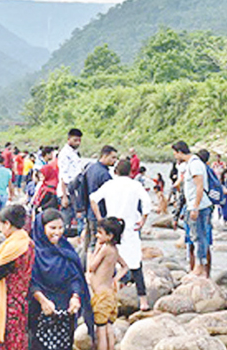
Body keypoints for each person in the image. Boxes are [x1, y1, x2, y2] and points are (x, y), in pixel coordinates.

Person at [90, 159, 152, 311]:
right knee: (135, 263)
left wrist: (100, 219)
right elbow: (147, 202)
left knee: (111, 262)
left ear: (115, 171)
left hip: (112, 229)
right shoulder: (135, 185)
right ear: (131, 172)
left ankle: (111, 294)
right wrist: (143, 220)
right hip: (130, 228)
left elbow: (93, 198)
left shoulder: (110, 184)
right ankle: (143, 301)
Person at [29, 209, 94, 350]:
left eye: (60, 228)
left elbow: (75, 277)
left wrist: (75, 297)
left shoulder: (65, 248)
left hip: (65, 309)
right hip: (40, 310)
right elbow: (31, 281)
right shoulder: (33, 251)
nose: (57, 232)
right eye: (52, 228)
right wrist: (43, 300)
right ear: (42, 227)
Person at [0, 205, 35, 350]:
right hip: (21, 301)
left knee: (8, 343)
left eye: (0, 226)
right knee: (19, 341)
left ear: (7, 224)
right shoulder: (27, 242)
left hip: (7, 303)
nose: (0, 230)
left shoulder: (14, 246)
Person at [172, 141, 212, 277]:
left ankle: (200, 267)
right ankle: (199, 265)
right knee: (197, 236)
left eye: (175, 153)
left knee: (198, 237)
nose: (174, 156)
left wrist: (195, 207)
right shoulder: (192, 164)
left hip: (199, 207)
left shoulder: (195, 164)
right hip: (195, 205)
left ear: (179, 152)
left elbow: (199, 186)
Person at [88, 218, 128, 350]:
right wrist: (115, 279)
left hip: (101, 295)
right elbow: (125, 267)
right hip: (110, 294)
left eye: (100, 233)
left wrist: (96, 250)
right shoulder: (114, 250)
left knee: (100, 330)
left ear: (110, 236)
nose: (97, 235)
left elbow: (92, 267)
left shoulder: (105, 249)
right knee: (108, 327)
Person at [85, 145, 117, 250]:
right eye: (113, 157)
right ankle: (91, 265)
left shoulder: (91, 168)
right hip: (100, 212)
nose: (115, 161)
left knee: (88, 241)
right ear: (105, 156)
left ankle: (83, 264)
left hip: (90, 211)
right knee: (96, 243)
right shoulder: (104, 174)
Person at [57, 129, 83, 222]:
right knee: (65, 220)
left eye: (79, 140)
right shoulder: (64, 154)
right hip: (67, 192)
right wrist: (64, 196)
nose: (78, 143)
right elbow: (63, 175)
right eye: (75, 140)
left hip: (75, 190)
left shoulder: (75, 153)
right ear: (69, 139)